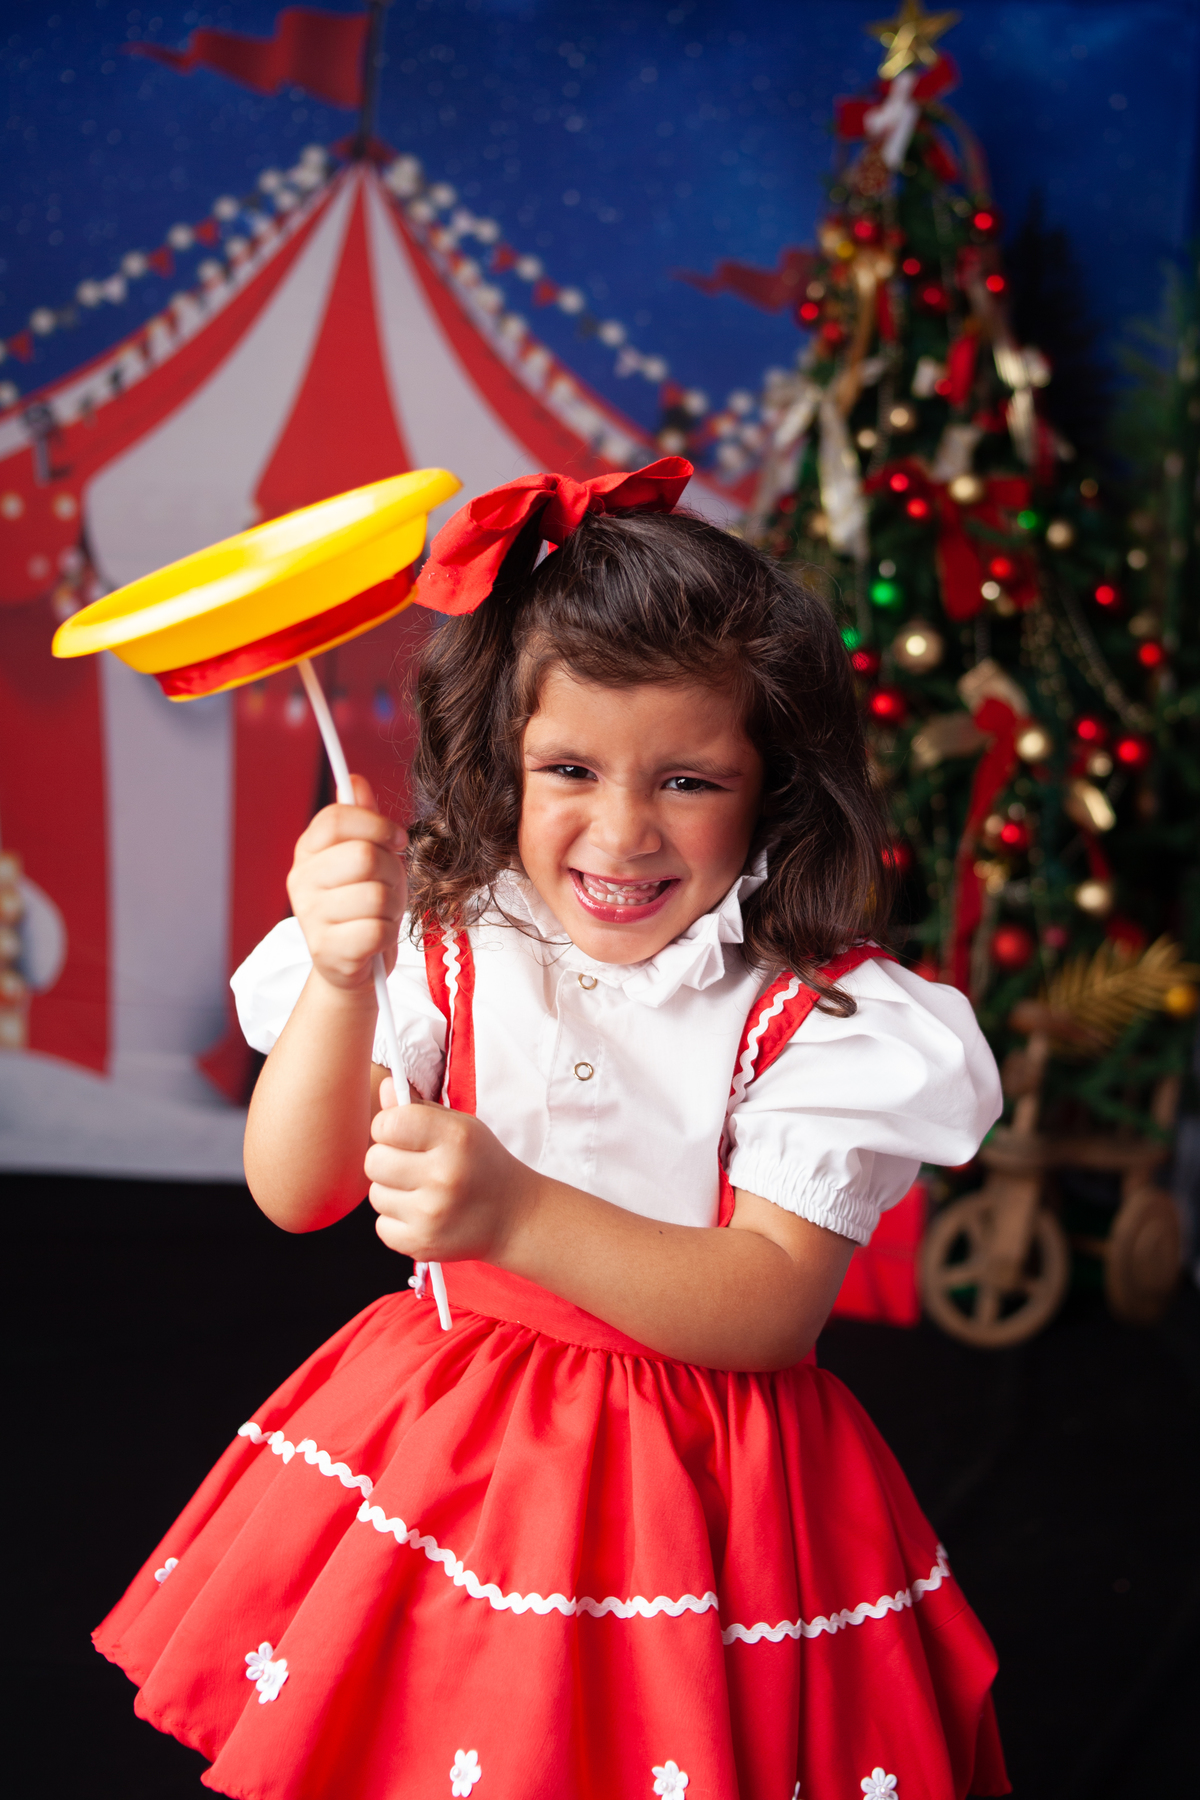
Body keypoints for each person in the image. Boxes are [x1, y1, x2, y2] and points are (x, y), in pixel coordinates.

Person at [95, 460, 1009, 1800]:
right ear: (494, 763)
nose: (624, 833)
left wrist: (519, 1214)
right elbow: (296, 1191)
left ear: (773, 786)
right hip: (449, 1456)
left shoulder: (812, 1011)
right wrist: (344, 980)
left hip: (702, 1498)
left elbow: (770, 1307)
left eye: (690, 781)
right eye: (569, 767)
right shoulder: (449, 945)